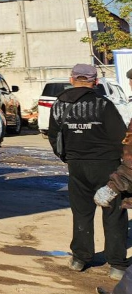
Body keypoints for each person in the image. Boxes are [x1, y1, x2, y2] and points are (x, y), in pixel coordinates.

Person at [48, 63, 128, 280]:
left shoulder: (58, 105)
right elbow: (120, 136)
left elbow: (54, 137)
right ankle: (117, 265)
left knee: (82, 211)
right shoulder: (103, 104)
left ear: (71, 79)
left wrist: (68, 157)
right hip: (107, 165)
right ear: (95, 82)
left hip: (77, 166)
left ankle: (79, 259)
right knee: (113, 213)